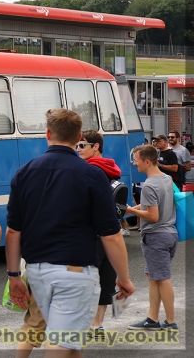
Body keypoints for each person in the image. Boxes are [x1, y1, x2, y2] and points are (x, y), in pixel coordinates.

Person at [6, 109, 134, 355]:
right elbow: (110, 234)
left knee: (72, 341)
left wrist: (14, 276)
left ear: (47, 134)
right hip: (75, 272)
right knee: (62, 341)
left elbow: (13, 231)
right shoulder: (93, 175)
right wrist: (124, 277)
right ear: (78, 138)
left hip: (37, 271)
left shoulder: (24, 173)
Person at [124, 145, 179, 331]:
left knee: (162, 278)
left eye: (136, 160)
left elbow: (153, 215)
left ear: (147, 162)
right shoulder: (166, 178)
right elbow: (154, 204)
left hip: (156, 236)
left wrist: (131, 210)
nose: (134, 163)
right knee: (154, 277)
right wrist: (134, 208)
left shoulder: (148, 185)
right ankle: (152, 319)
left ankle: (171, 321)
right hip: (170, 234)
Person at [76, 130, 121, 335]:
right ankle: (98, 323)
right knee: (106, 275)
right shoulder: (111, 167)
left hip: (90, 230)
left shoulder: (91, 170)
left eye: (82, 145)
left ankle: (84, 322)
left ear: (96, 146)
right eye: (77, 145)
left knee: (84, 276)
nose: (78, 149)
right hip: (110, 229)